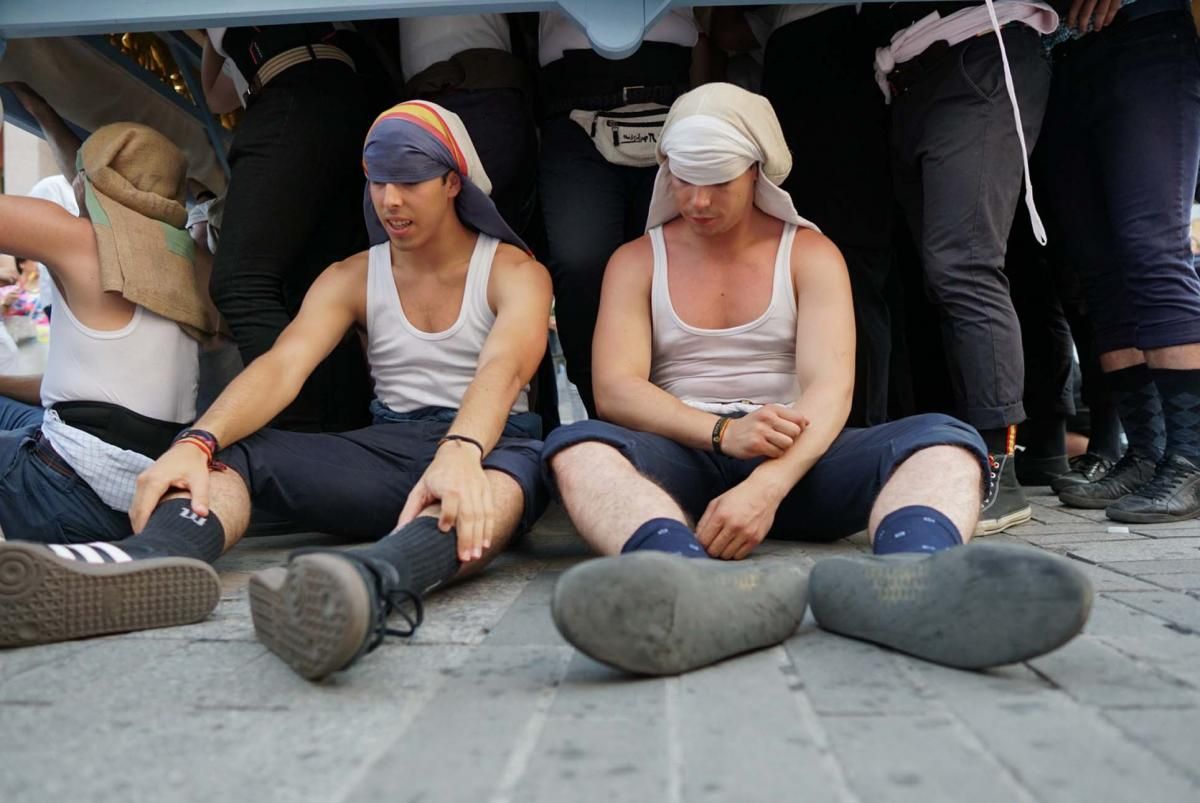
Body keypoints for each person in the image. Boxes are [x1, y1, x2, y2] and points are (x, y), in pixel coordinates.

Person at [541, 84, 1092, 676]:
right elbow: (616, 390)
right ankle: (682, 581)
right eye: (683, 179)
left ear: (757, 173)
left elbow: (831, 391)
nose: (697, 201)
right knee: (576, 449)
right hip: (683, 462)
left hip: (795, 455)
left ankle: (911, 582)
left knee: (947, 441)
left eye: (718, 182)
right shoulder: (637, 259)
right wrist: (725, 433)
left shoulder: (809, 252)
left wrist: (768, 484)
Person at [0, 102, 553, 687]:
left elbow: (504, 367)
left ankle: (365, 584)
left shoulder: (515, 270)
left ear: (450, 182)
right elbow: (284, 366)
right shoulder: (350, 275)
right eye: (379, 180)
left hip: (490, 445)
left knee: (501, 485)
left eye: (410, 181)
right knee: (231, 456)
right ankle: (144, 563)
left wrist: (462, 450)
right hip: (389, 449)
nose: (390, 200)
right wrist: (196, 441)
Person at [0, 122, 217, 572]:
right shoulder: (196, 266)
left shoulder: (79, 241)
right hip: (135, 503)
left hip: (59, 495)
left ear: (89, 181)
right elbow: (92, 389)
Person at [876, 0, 1060, 532]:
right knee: (940, 274)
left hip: (980, 45)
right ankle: (962, 454)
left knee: (964, 267)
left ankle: (1001, 466)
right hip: (909, 75)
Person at [1039, 0, 1200, 522]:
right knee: (1100, 270)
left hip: (1148, 30)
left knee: (1153, 247)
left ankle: (1192, 459)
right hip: (1061, 55)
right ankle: (1148, 454)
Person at [202, 24, 375, 432]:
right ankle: (344, 436)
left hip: (295, 92)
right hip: (338, 95)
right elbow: (216, 97)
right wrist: (212, 40)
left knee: (239, 282)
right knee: (317, 292)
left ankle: (294, 432)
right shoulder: (229, 38)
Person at [537, 9, 700, 416]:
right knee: (580, 261)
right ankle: (603, 409)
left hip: (671, 92)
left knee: (680, 260)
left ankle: (682, 405)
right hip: (572, 100)